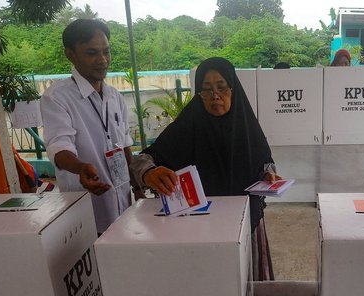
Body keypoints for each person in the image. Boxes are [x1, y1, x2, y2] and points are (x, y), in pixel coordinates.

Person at [130, 57, 281, 281]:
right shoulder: (188, 125)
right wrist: (148, 173)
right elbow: (144, 158)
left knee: (246, 289)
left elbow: (263, 161)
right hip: (200, 226)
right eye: (206, 90)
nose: (215, 96)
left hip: (245, 222)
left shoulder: (245, 125)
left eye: (221, 88)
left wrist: (267, 173)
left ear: (234, 89)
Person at [40, 19, 144, 234]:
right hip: (87, 213)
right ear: (71, 54)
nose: (102, 60)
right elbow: (59, 146)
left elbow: (124, 144)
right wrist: (81, 168)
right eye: (91, 53)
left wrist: (136, 185)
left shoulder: (114, 96)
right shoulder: (57, 98)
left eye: (106, 51)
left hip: (124, 206)